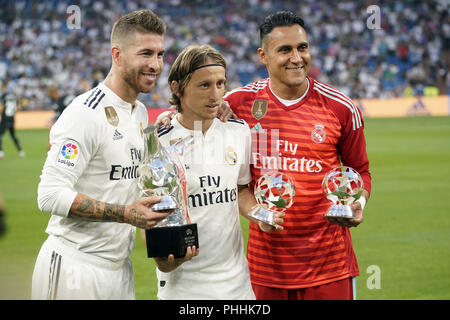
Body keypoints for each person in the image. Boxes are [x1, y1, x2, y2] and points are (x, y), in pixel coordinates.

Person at [32, 10, 190, 300]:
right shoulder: (85, 113)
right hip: (75, 267)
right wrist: (126, 214)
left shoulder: (140, 113)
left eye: (159, 54)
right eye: (146, 54)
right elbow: (50, 195)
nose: (156, 64)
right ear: (117, 55)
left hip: (119, 269)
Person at [222, 11, 372, 300]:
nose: (297, 57)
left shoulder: (341, 108)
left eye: (302, 47)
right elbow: (190, 119)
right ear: (263, 55)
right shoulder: (238, 104)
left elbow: (360, 171)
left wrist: (357, 201)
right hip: (264, 270)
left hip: (330, 268)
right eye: (285, 49)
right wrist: (169, 118)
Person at [152, 44, 284, 300]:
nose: (216, 95)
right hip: (183, 290)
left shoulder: (238, 132)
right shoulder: (157, 142)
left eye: (220, 84)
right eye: (204, 85)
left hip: (237, 288)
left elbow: (239, 189)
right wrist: (163, 260)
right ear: (177, 88)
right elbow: (150, 214)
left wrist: (260, 214)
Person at [0, 82, 24, 159]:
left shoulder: (3, 96)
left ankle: (1, 152)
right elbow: (19, 107)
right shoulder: (14, 96)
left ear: (4, 88)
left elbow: (2, 108)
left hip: (5, 118)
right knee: (13, 136)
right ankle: (20, 151)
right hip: (12, 118)